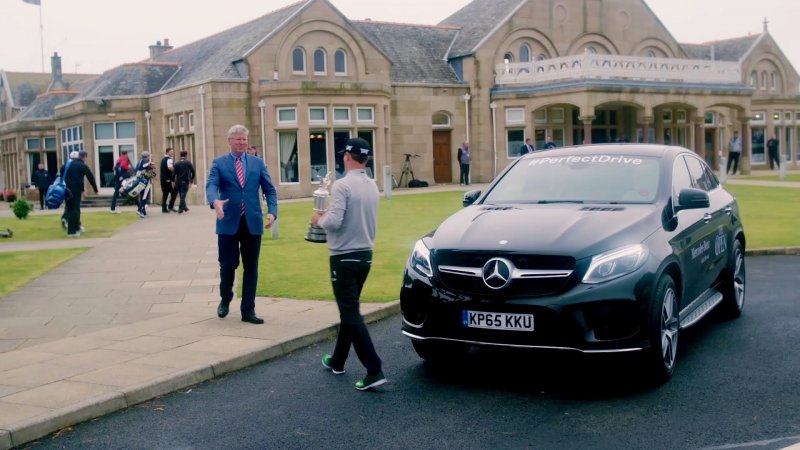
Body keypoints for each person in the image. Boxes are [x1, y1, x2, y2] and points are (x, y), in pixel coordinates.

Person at [310, 137, 386, 391]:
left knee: (351, 313)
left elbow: (334, 222)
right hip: (365, 255)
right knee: (349, 311)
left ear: (347, 157)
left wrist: (318, 218)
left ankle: (374, 369)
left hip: (343, 257)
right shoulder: (373, 185)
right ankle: (338, 361)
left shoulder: (342, 186)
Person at [206, 124, 277, 325]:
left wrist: (272, 212)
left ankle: (248, 310)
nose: (242, 142)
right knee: (228, 264)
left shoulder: (257, 163)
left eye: (244, 139)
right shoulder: (219, 163)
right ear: (230, 141)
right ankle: (226, 298)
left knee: (251, 267)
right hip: (227, 222)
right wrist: (215, 201)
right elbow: (211, 185)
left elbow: (270, 190)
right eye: (238, 139)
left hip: (252, 222)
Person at [61, 150, 98, 237]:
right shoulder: (82, 165)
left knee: (70, 208)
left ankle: (76, 228)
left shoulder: (68, 164)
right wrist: (95, 189)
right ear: (84, 157)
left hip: (66, 189)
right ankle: (72, 232)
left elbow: (61, 172)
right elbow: (90, 177)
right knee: (75, 209)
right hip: (75, 190)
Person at [135, 151, 157, 218]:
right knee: (145, 196)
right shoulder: (145, 162)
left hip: (140, 180)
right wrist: (150, 165)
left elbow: (137, 171)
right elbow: (146, 169)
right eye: (149, 156)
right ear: (147, 156)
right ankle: (140, 210)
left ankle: (143, 212)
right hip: (145, 181)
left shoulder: (139, 161)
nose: (150, 157)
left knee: (142, 196)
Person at [173, 150, 196, 215]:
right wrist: (191, 179)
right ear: (186, 155)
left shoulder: (176, 163)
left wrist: (173, 181)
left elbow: (174, 173)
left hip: (178, 181)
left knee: (181, 195)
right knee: (183, 196)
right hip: (185, 181)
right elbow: (193, 171)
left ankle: (185, 208)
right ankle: (180, 209)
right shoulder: (188, 162)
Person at [160, 147, 177, 213]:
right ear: (167, 152)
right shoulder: (169, 159)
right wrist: (176, 170)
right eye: (171, 152)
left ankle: (164, 208)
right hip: (168, 180)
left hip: (163, 179)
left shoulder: (163, 159)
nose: (172, 153)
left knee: (165, 194)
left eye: (172, 151)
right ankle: (170, 206)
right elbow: (170, 168)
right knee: (174, 191)